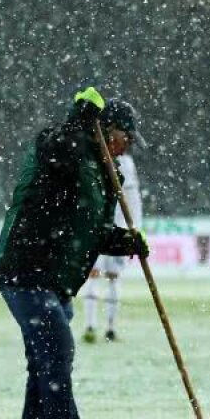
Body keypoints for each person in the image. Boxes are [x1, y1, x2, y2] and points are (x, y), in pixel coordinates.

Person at [0, 86, 149, 419]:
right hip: (26, 269)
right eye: (125, 138)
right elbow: (52, 145)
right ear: (107, 130)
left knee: (44, 363)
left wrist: (124, 241)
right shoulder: (69, 149)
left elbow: (90, 229)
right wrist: (80, 121)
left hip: (54, 279)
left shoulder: (103, 173)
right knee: (56, 354)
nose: (126, 147)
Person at [82, 100, 145, 343]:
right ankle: (104, 327)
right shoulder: (119, 163)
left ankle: (97, 326)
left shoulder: (117, 162)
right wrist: (134, 228)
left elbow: (130, 199)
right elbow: (132, 201)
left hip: (106, 229)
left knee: (96, 275)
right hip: (109, 229)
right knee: (109, 277)